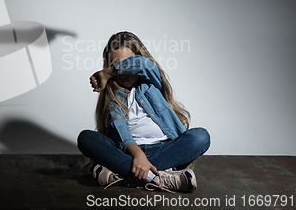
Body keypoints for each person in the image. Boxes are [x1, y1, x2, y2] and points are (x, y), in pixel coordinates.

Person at [77, 32, 210, 193]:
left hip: (163, 150)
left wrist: (108, 72)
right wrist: (138, 155)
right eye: (116, 65)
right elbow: (121, 129)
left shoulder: (151, 82)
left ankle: (123, 175)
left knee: (201, 136)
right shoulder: (114, 94)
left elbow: (144, 64)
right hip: (128, 153)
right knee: (86, 138)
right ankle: (159, 178)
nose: (122, 73)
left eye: (127, 65)